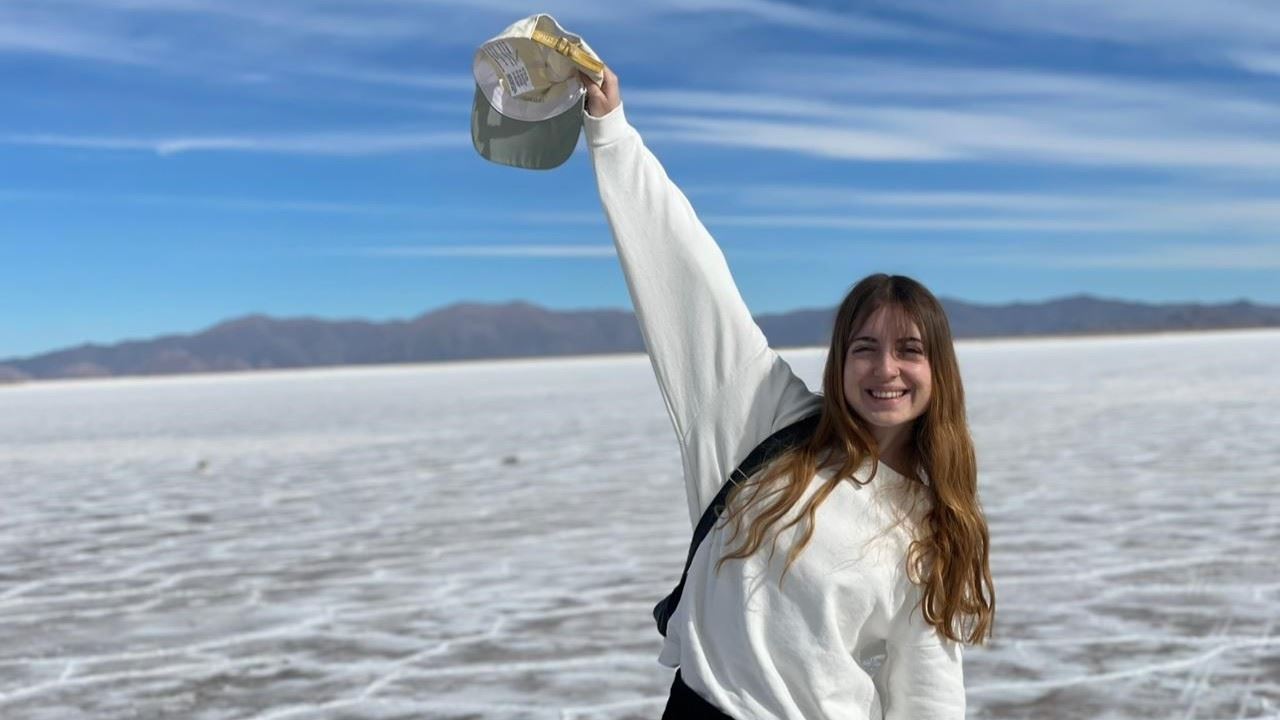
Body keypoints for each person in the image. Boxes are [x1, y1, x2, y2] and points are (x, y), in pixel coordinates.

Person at [579, 67, 995, 720]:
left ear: (938, 370)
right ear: (840, 362)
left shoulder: (930, 523)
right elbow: (691, 276)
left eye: (909, 351)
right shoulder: (763, 421)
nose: (886, 369)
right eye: (865, 348)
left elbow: (929, 693)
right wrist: (612, 135)